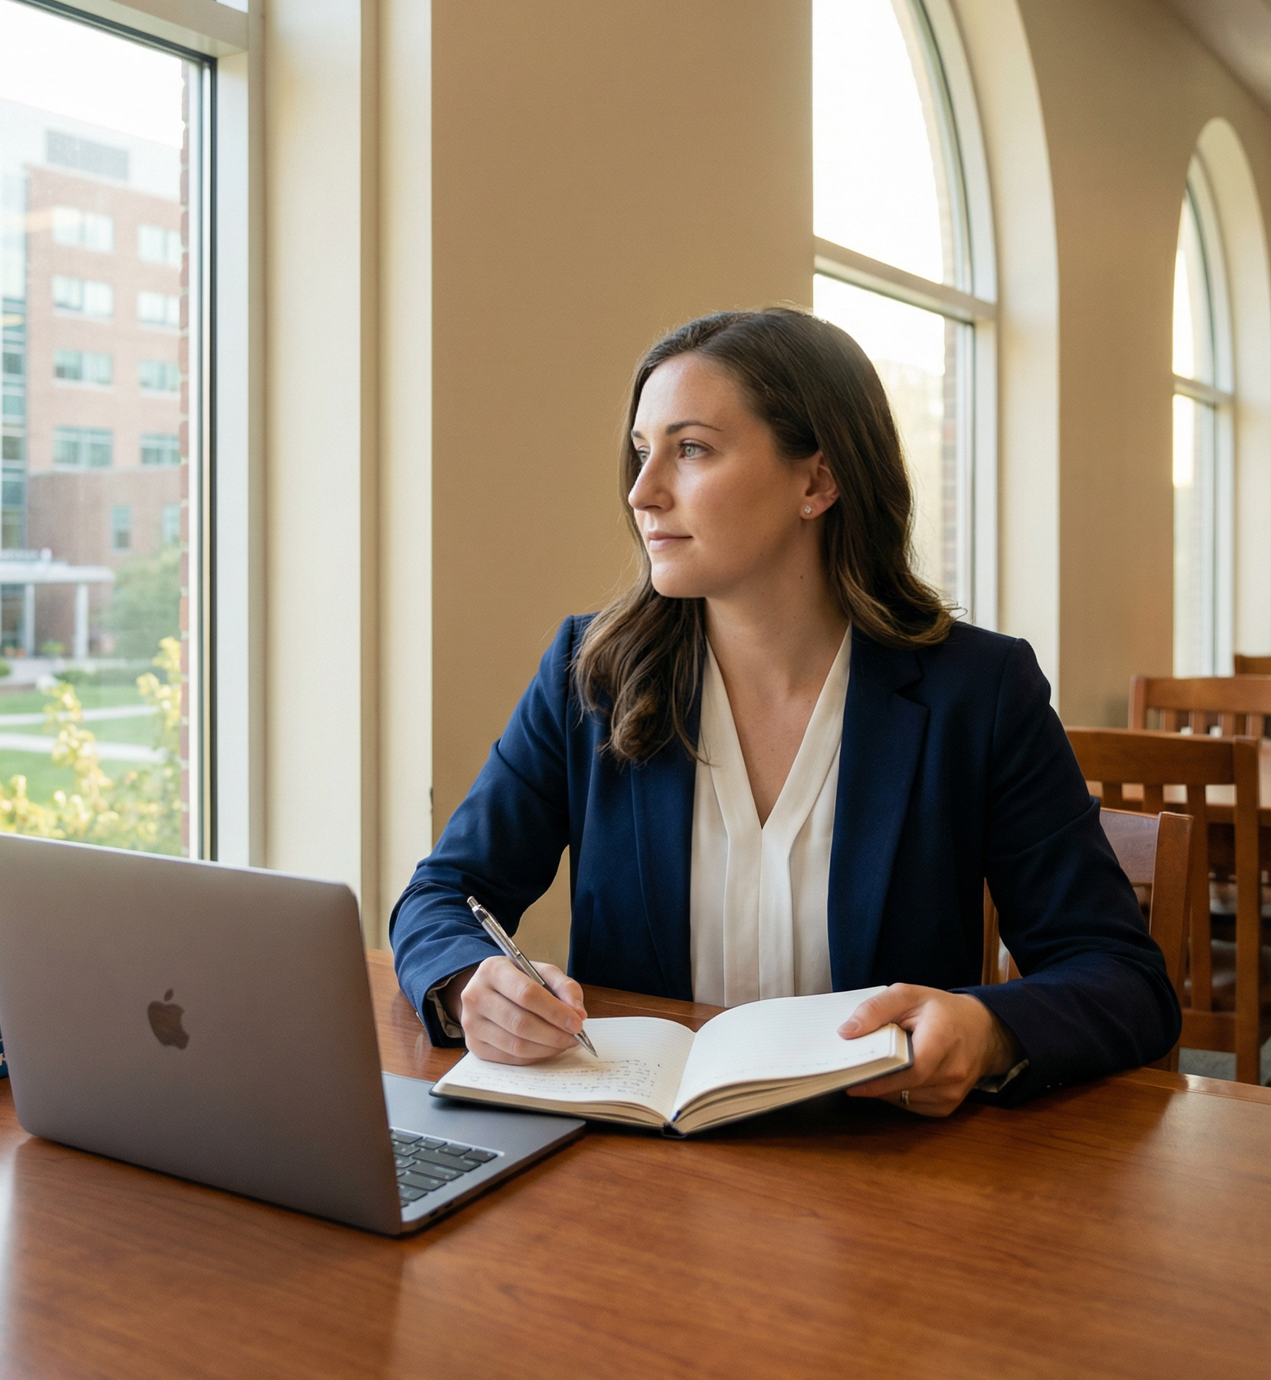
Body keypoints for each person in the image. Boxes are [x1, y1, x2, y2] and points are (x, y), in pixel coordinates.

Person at [389, 307, 1179, 1116]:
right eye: (640, 452)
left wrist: (985, 1029)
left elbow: (1121, 978)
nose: (642, 492)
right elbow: (443, 895)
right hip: (633, 1180)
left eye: (690, 449)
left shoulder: (978, 690)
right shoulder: (589, 673)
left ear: (818, 481)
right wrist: (468, 984)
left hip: (887, 1176)